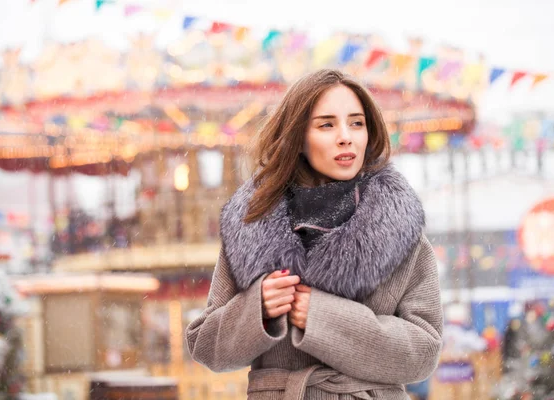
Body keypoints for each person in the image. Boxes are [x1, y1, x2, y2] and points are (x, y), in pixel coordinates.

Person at [185, 69, 443, 400]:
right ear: (299, 137)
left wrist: (322, 318)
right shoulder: (253, 228)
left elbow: (423, 352)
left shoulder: (400, 233)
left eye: (356, 123)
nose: (345, 136)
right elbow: (206, 347)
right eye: (326, 125)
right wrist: (258, 309)